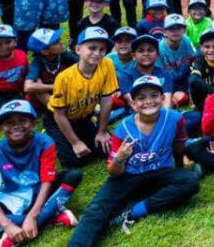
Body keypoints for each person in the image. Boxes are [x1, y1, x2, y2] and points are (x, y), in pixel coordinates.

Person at [68, 75, 199, 245]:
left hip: (159, 174)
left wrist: (180, 167)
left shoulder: (174, 118)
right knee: (95, 211)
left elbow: (179, 144)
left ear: (162, 98)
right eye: (141, 98)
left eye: (153, 95)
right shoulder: (123, 129)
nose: (148, 101)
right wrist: (120, 159)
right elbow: (113, 172)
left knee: (190, 181)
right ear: (134, 104)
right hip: (127, 177)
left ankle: (132, 212)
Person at [0, 100, 82, 244]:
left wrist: (32, 216)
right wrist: (7, 225)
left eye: (23, 120)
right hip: (12, 197)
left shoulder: (45, 142)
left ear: (33, 123)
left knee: (73, 175)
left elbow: (46, 181)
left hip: (40, 191)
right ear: (0, 128)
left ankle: (31, 223)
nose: (16, 126)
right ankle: (51, 217)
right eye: (9, 122)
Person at [45, 27, 117, 168]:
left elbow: (107, 99)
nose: (97, 53)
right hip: (60, 118)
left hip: (84, 116)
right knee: (74, 162)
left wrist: (102, 131)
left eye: (102, 49)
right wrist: (76, 142)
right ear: (78, 49)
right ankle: (52, 135)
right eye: (92, 48)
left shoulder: (107, 64)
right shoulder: (64, 78)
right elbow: (59, 114)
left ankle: (90, 129)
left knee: (106, 149)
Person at [23, 27, 77, 113]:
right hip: (44, 97)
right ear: (45, 52)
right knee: (37, 84)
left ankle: (70, 106)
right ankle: (60, 111)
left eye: (59, 39)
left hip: (61, 93)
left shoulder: (63, 54)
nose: (61, 43)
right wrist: (56, 86)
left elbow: (82, 65)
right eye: (56, 42)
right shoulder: (37, 63)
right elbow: (28, 87)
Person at [158, 14, 196, 106]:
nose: (175, 31)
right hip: (167, 82)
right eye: (171, 29)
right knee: (179, 98)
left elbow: (194, 60)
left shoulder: (186, 41)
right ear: (165, 32)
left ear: (184, 30)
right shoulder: (159, 48)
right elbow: (158, 74)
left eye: (179, 28)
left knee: (185, 96)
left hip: (184, 78)